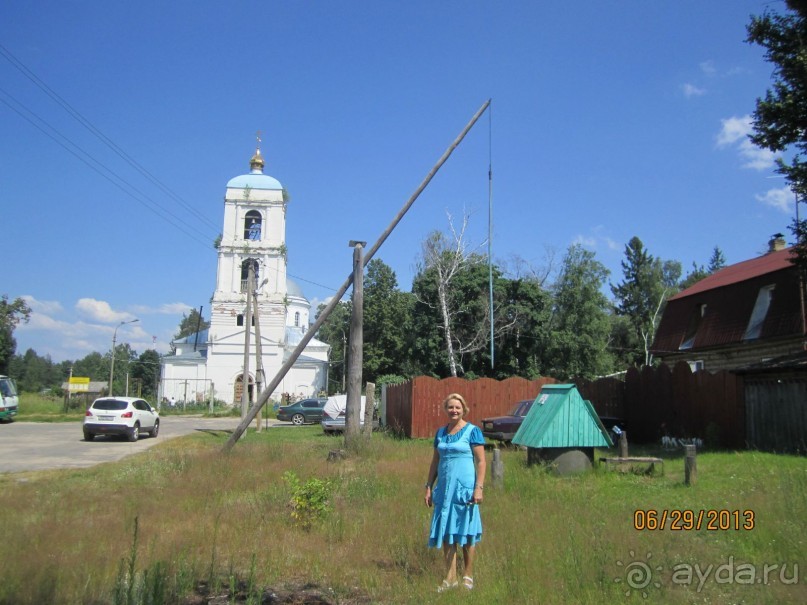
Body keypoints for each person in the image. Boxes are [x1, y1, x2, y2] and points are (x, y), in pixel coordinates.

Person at [424, 393, 486, 592]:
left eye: (457, 407)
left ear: (464, 409)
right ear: (445, 409)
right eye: (450, 407)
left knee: (466, 533)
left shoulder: (472, 431)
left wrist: (479, 487)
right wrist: (428, 486)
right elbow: (435, 461)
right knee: (446, 532)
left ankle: (467, 576)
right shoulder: (441, 433)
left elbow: (481, 462)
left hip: (464, 490)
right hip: (443, 490)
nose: (454, 410)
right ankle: (450, 578)